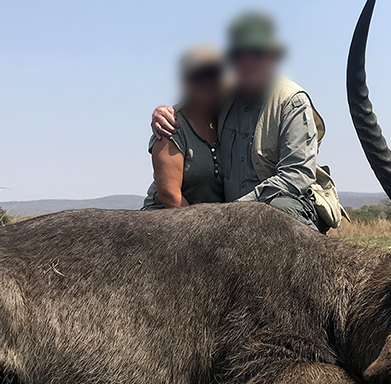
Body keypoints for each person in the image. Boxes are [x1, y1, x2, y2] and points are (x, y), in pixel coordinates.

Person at [151, 12, 344, 231]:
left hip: (282, 205)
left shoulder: (292, 101)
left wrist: (237, 210)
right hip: (234, 219)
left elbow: (297, 176)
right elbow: (196, 98)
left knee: (278, 211)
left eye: (257, 52)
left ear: (272, 57)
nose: (248, 61)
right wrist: (164, 113)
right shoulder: (225, 93)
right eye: (239, 53)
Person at [141, 46, 226, 210]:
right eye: (198, 76)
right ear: (184, 82)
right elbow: (170, 197)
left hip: (215, 225)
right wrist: (205, 231)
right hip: (171, 224)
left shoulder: (229, 120)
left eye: (213, 74)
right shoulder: (171, 127)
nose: (207, 82)